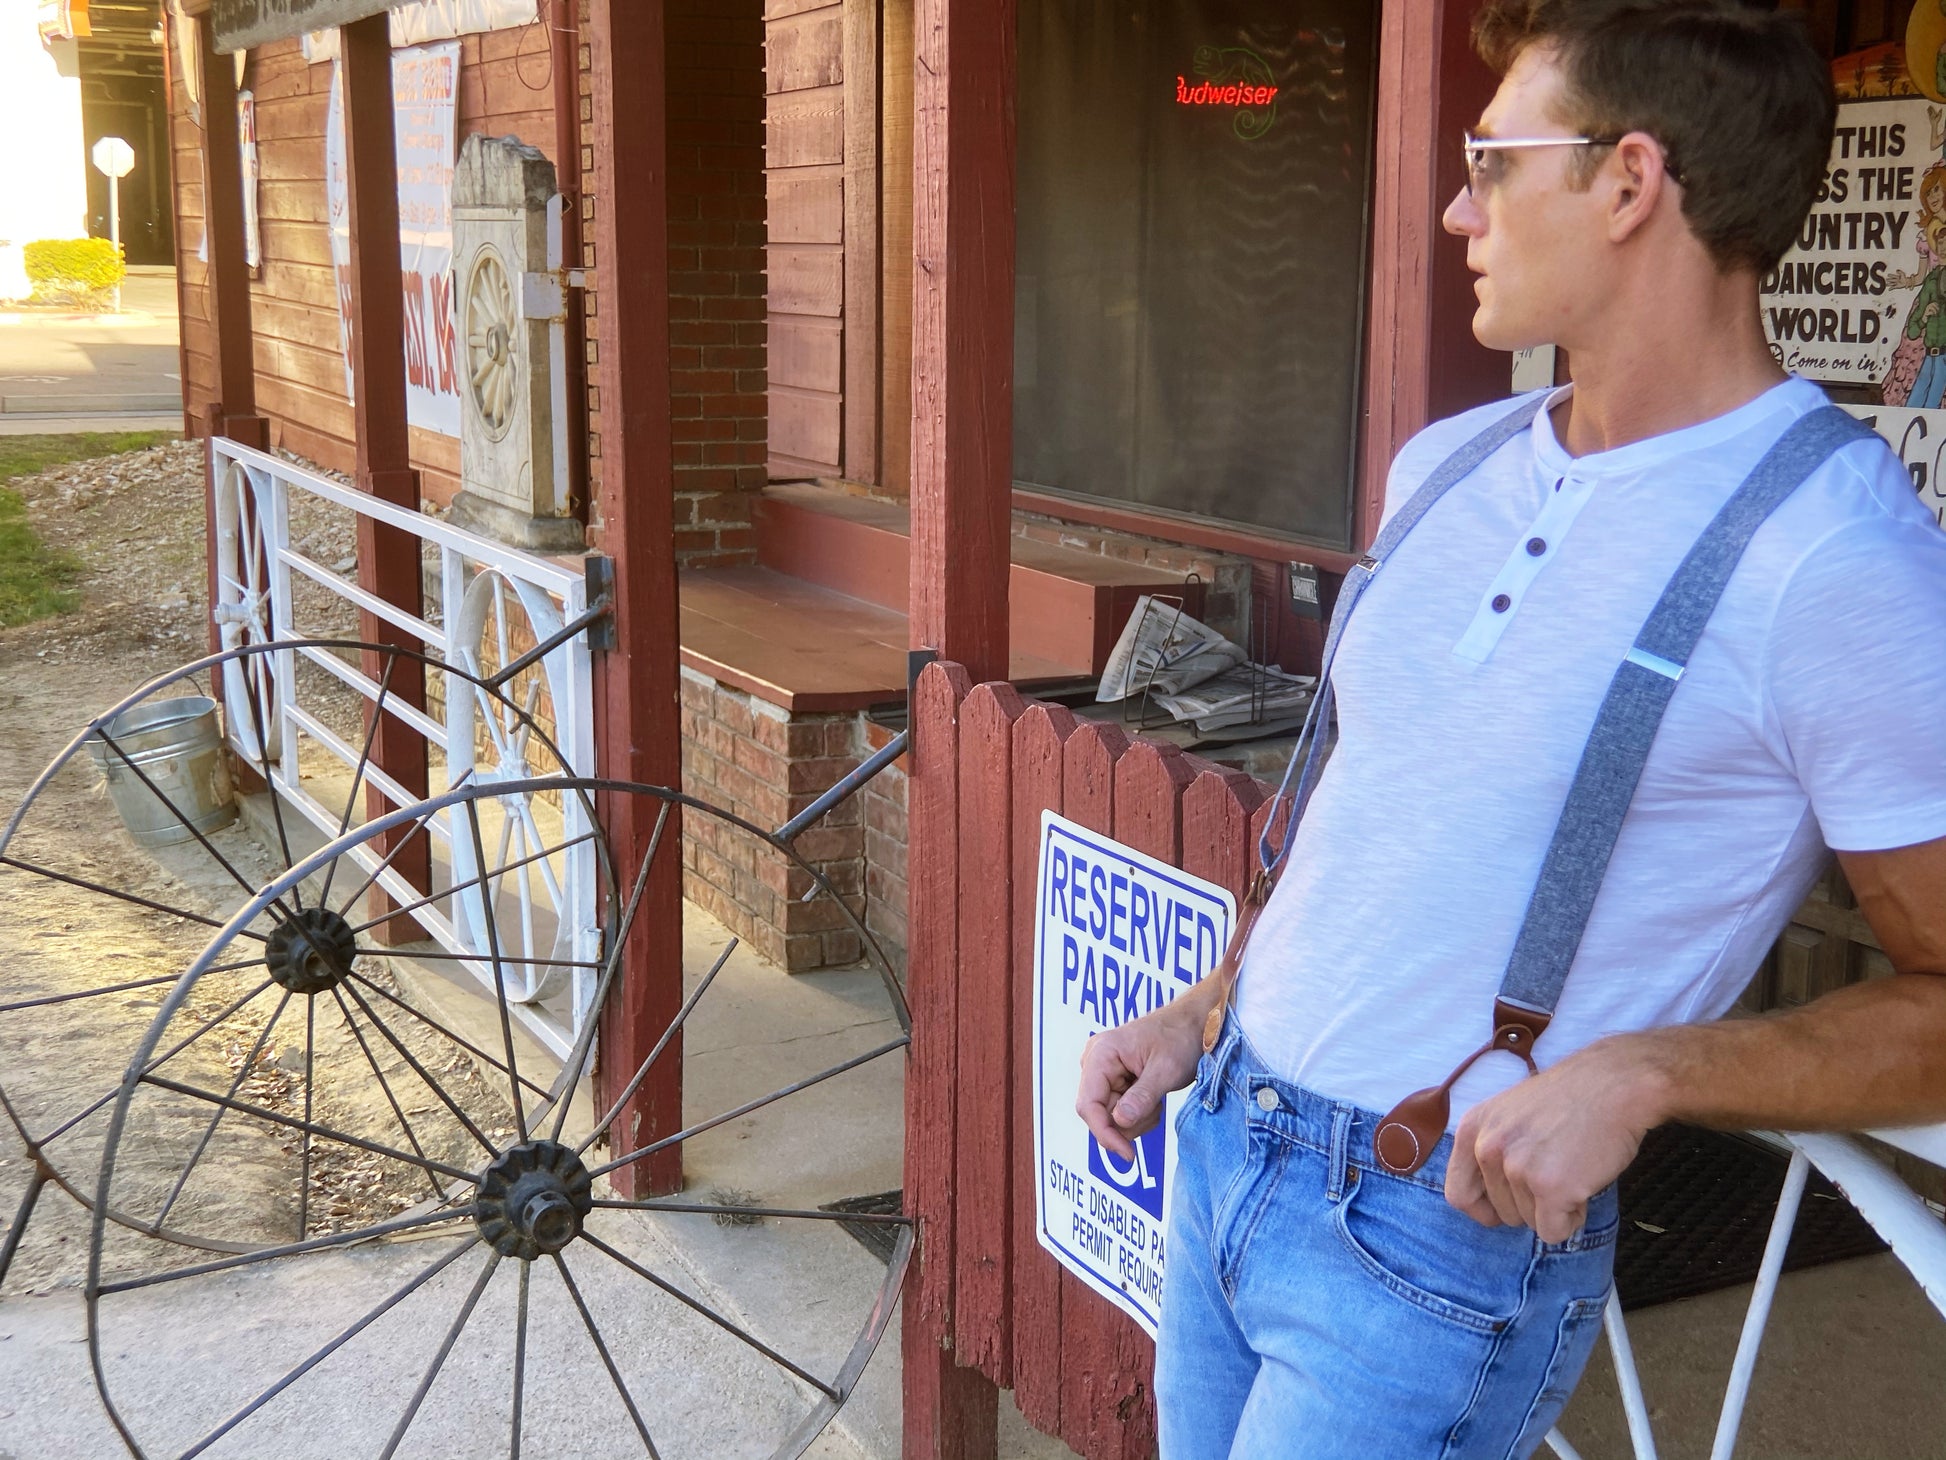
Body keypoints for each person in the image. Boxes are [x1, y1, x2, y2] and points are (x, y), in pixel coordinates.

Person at [1075, 3, 1946, 1457]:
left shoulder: (1836, 562)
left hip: (1431, 1240)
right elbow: (1384, 828)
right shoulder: (1447, 461)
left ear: (1627, 182)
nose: (1450, 205)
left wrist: (1650, 1071)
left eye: (1491, 159)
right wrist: (1203, 1011)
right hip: (1228, 1141)